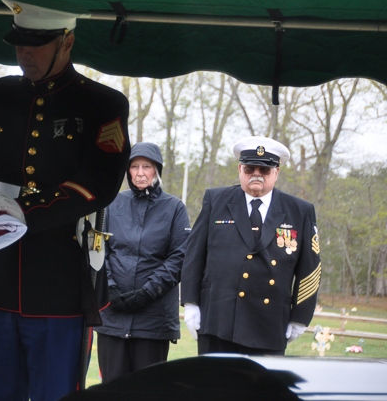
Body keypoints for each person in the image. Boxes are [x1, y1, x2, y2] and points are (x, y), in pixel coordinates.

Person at [0, 0, 130, 401]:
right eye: (18, 43)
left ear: (67, 42)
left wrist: (25, 208)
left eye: (36, 44)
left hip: (61, 278)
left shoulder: (102, 104)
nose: (24, 53)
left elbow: (101, 182)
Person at [181, 136, 321, 355]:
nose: (256, 174)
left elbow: (310, 269)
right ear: (240, 169)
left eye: (264, 170)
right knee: (214, 379)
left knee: (261, 380)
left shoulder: (299, 211)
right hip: (218, 319)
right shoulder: (216, 201)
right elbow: (194, 254)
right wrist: (190, 302)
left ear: (276, 172)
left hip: (269, 323)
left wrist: (300, 316)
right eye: (249, 169)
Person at [96, 142, 190, 381]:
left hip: (153, 321)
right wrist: (110, 289)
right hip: (113, 318)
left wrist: (147, 292)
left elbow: (179, 256)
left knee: (148, 389)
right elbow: (99, 251)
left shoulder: (174, 208)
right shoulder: (112, 204)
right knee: (112, 390)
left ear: (156, 170)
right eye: (134, 167)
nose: (140, 173)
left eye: (146, 167)